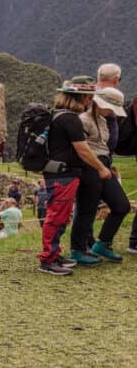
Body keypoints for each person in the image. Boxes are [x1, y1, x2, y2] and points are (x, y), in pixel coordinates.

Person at [38, 78, 111, 275]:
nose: (90, 101)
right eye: (89, 97)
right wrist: (101, 168)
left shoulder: (60, 116)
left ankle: (55, 254)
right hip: (63, 174)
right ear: (83, 97)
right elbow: (83, 149)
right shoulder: (70, 119)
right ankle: (48, 260)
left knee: (61, 216)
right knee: (57, 216)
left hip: (61, 173)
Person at [70, 87, 130, 262]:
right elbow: (81, 148)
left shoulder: (103, 120)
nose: (111, 111)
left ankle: (102, 243)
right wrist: (98, 167)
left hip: (104, 164)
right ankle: (78, 250)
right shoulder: (83, 120)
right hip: (89, 166)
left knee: (121, 205)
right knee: (86, 210)